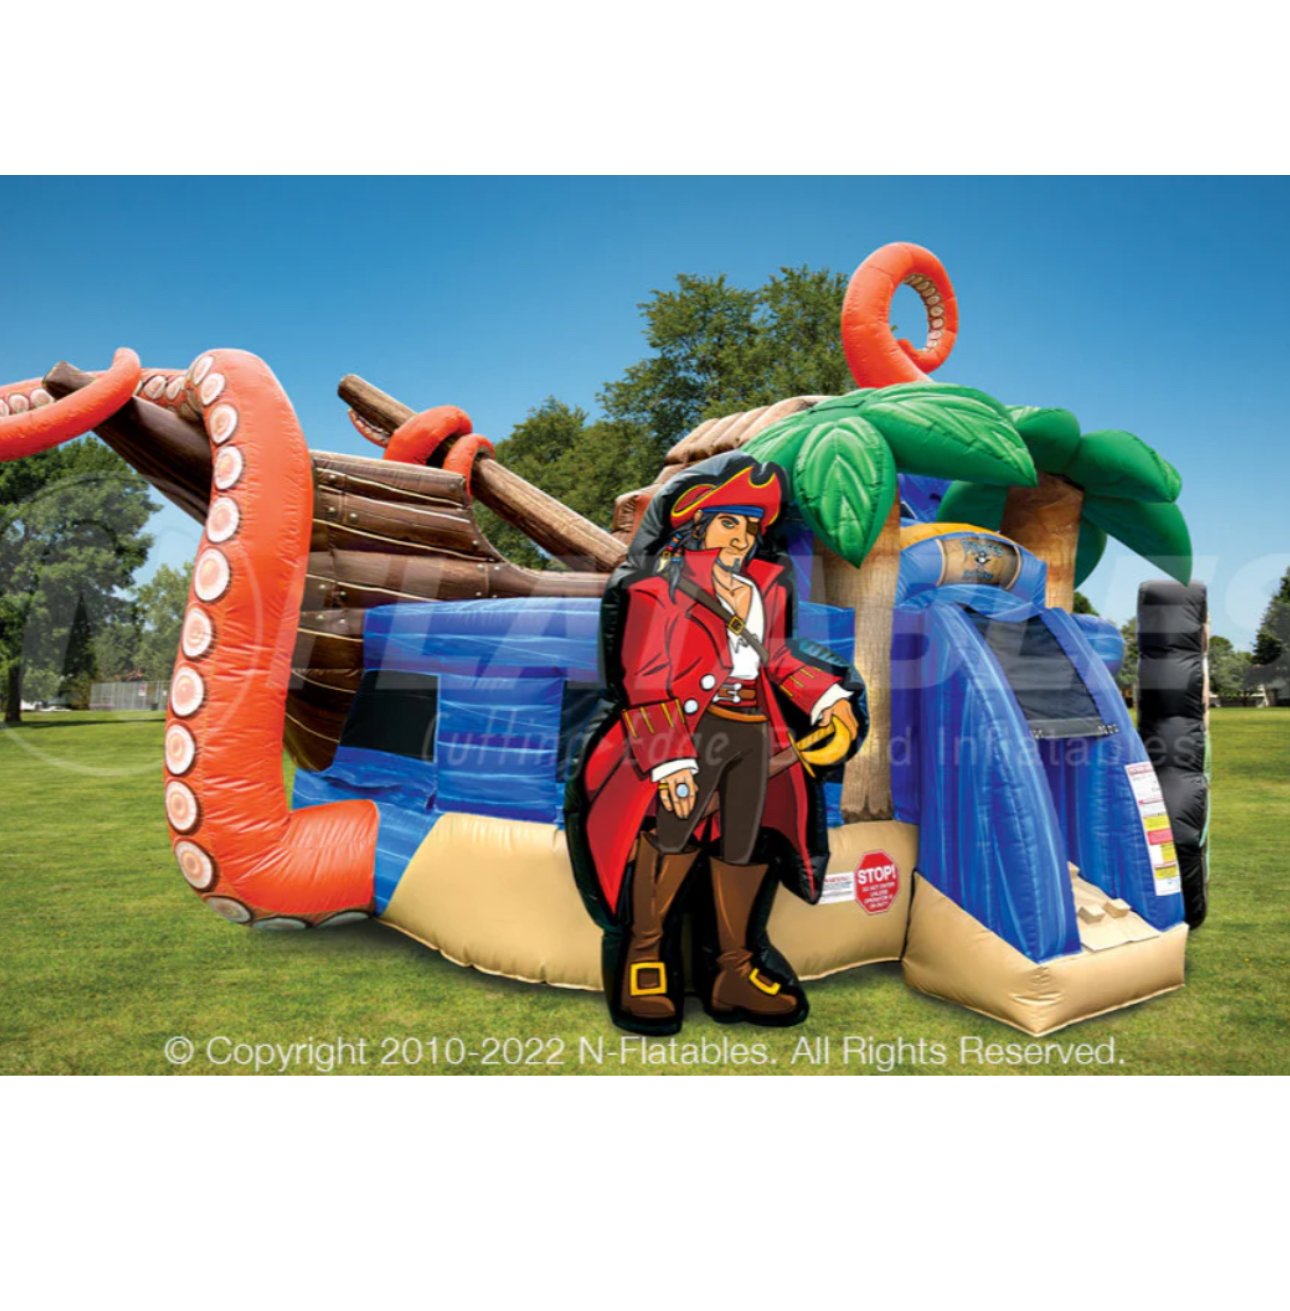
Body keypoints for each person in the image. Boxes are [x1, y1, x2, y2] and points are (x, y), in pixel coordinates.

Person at [567, 456, 864, 1035]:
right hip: (688, 732)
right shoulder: (655, 590)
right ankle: (645, 960)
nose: (742, 537)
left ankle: (734, 969)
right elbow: (645, 679)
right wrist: (670, 759)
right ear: (695, 525)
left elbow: (778, 659)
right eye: (729, 522)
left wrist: (829, 700)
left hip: (755, 731)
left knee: (745, 843)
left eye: (750, 527)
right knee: (671, 836)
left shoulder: (765, 588)